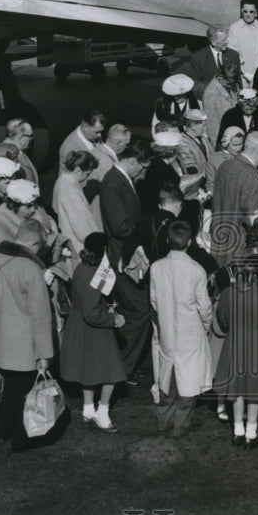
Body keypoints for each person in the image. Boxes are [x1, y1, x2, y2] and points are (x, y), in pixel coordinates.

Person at [0, 219, 54, 451]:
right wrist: (44, 354)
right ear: (34, 242)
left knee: (9, 387)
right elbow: (40, 316)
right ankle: (22, 440)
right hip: (24, 343)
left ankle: (4, 430)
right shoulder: (31, 269)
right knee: (24, 390)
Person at [213, 225, 258, 448]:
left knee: (236, 391)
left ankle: (237, 430)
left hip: (233, 346)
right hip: (257, 348)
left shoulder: (227, 294)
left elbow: (222, 321)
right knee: (254, 392)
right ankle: (252, 432)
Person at [150, 220, 213, 440]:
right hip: (190, 331)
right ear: (190, 241)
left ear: (168, 240)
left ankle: (164, 419)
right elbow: (204, 306)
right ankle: (181, 425)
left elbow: (154, 301)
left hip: (167, 329)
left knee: (167, 375)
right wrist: (206, 326)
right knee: (189, 379)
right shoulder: (197, 270)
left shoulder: (156, 267)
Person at [59, 232, 127, 433]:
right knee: (112, 373)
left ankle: (88, 409)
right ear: (103, 250)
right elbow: (92, 314)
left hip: (79, 328)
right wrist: (114, 319)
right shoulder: (92, 274)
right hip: (95, 330)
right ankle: (102, 413)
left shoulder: (82, 268)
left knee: (88, 370)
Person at [99, 140, 154, 385]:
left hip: (128, 256)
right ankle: (121, 367)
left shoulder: (122, 180)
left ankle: (123, 365)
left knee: (135, 309)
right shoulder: (112, 184)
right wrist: (145, 231)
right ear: (132, 161)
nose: (142, 172)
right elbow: (120, 226)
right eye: (141, 167)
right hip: (121, 258)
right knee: (140, 311)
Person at [210, 131, 258, 267]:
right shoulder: (250, 174)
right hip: (239, 247)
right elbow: (254, 218)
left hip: (218, 239)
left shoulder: (225, 166)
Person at [52, 150, 102, 265]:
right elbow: (80, 225)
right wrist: (95, 244)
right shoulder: (70, 187)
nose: (86, 178)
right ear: (79, 170)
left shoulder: (62, 181)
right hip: (79, 246)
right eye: (87, 174)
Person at [184, 24, 241, 101]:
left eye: (227, 38)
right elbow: (195, 83)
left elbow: (238, 82)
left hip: (230, 100)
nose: (227, 42)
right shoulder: (198, 57)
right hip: (209, 99)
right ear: (213, 42)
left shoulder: (233, 55)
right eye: (223, 40)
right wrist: (212, 92)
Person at [203, 56, 245, 149]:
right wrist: (218, 147)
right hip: (223, 138)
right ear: (220, 77)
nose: (231, 86)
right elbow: (211, 125)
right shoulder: (211, 93)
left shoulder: (232, 83)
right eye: (228, 84)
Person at [225, 0, 258, 82]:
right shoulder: (234, 28)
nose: (248, 14)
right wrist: (245, 74)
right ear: (241, 12)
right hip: (241, 75)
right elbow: (232, 54)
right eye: (245, 11)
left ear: (256, 13)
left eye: (251, 11)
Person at [59, 109, 108, 178]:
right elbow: (70, 179)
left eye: (101, 132)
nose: (99, 136)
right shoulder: (69, 148)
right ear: (85, 127)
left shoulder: (96, 135)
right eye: (96, 132)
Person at [174, 109, 210, 196]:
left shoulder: (204, 139)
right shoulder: (183, 143)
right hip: (197, 187)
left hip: (208, 181)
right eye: (203, 126)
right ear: (193, 125)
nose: (205, 129)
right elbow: (191, 170)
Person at [0, 118, 40, 185]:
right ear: (20, 137)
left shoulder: (18, 151)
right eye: (30, 136)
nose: (31, 139)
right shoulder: (4, 157)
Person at [206, 126, 246, 195]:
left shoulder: (245, 156)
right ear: (226, 144)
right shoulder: (214, 159)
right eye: (234, 145)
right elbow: (210, 185)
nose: (238, 149)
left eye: (240, 144)